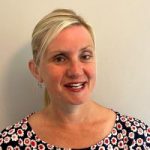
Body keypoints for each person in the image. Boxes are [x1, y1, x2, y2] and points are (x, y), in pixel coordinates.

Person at [0, 9, 150, 150]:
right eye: (60, 58)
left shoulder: (136, 137)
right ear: (36, 70)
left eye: (85, 56)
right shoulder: (10, 143)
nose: (76, 71)